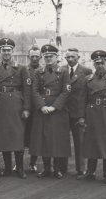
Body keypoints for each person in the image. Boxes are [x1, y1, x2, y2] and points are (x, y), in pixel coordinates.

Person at [0, 38, 32, 179]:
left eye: (8, 50)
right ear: (0, 52)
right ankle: (8, 168)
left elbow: (27, 90)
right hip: (1, 105)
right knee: (4, 137)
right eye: (3, 50)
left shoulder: (21, 68)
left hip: (16, 103)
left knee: (17, 135)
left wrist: (26, 108)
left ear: (12, 51)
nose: (6, 53)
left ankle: (20, 168)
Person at [77, 50, 106, 184]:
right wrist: (81, 117)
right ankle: (90, 172)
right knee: (92, 143)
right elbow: (82, 100)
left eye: (102, 62)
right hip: (91, 114)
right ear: (93, 64)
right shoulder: (88, 80)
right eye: (97, 63)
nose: (100, 65)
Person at [29, 44, 71, 179]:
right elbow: (34, 91)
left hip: (57, 110)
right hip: (43, 109)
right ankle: (46, 168)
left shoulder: (64, 72)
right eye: (46, 56)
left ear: (56, 57)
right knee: (44, 139)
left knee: (57, 139)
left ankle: (57, 169)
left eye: (51, 56)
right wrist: (42, 106)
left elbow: (66, 91)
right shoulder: (38, 72)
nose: (48, 59)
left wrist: (54, 107)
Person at [60, 48, 93, 179]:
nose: (70, 59)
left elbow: (88, 94)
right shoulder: (61, 70)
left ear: (78, 57)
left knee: (79, 141)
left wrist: (84, 114)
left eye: (73, 57)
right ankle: (62, 168)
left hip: (78, 112)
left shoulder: (86, 71)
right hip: (63, 111)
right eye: (68, 57)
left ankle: (81, 169)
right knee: (63, 140)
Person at [25, 46, 42, 173]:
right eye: (32, 56)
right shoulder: (23, 70)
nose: (35, 59)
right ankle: (19, 163)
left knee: (36, 135)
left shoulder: (43, 70)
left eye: (37, 56)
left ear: (40, 57)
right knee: (22, 134)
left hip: (38, 108)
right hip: (25, 107)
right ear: (28, 57)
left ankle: (32, 162)